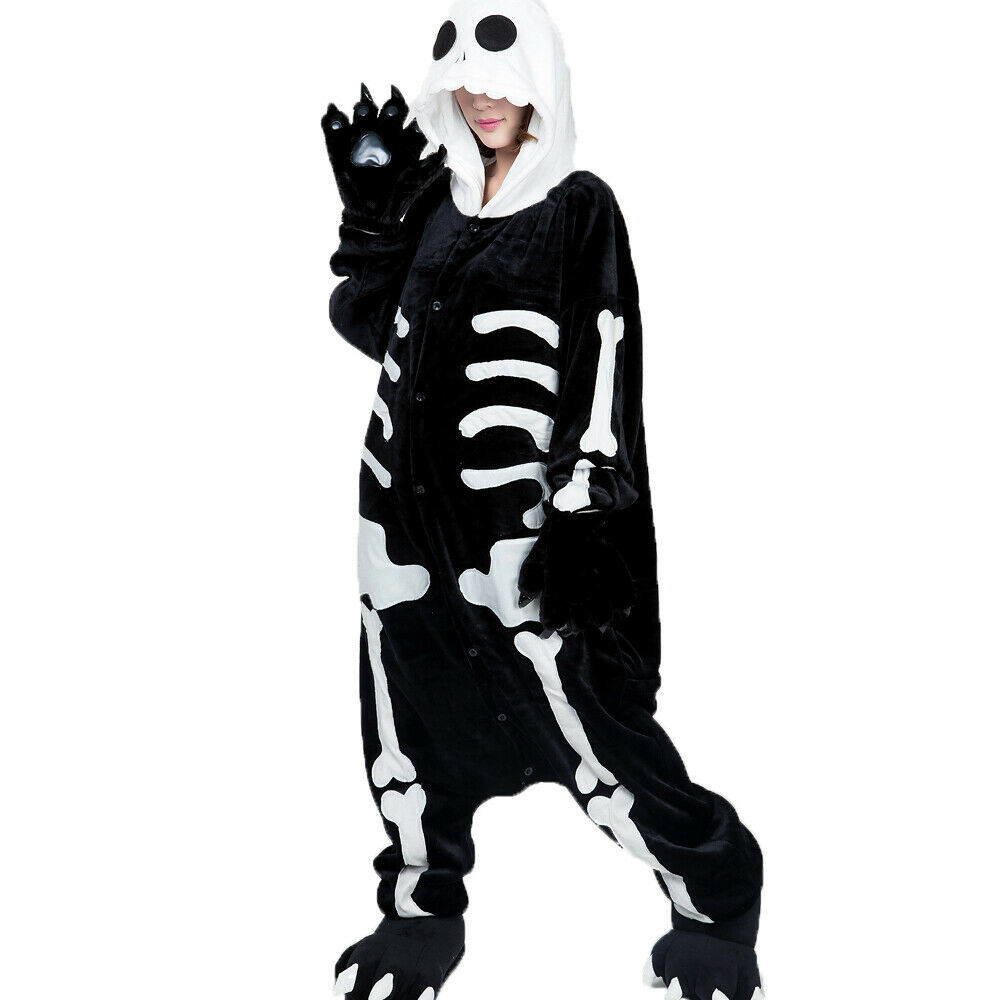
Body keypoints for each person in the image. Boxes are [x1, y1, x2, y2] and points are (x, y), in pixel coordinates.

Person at [321, 2, 764, 998]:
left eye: (503, 79)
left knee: (587, 718)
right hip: (398, 516)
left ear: (540, 86)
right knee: (401, 712)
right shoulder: (438, 202)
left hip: (515, 525)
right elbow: (376, 328)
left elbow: (605, 349)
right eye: (465, 82)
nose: (483, 98)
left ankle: (716, 895)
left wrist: (585, 505)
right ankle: (420, 910)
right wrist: (371, 222)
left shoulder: (576, 207)